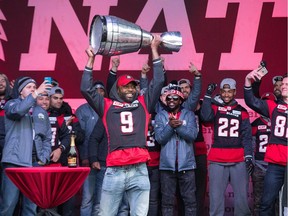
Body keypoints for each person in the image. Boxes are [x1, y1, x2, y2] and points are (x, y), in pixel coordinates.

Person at [80, 34, 164, 216]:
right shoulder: (107, 105)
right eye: (126, 86)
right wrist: (90, 60)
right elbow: (86, 89)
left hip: (139, 168)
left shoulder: (143, 102)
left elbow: (158, 82)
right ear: (117, 90)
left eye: (133, 86)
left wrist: (154, 50)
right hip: (115, 170)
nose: (130, 89)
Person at [200, 78, 253, 216]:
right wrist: (207, 96)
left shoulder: (243, 111)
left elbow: (247, 137)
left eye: (230, 91)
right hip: (217, 159)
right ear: (220, 92)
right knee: (215, 200)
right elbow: (205, 117)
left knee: (242, 201)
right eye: (224, 91)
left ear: (235, 92)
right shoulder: (215, 106)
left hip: (238, 159)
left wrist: (248, 156)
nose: (226, 94)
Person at [0, 77, 52, 216]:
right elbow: (18, 111)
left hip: (35, 163)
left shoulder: (40, 111)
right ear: (20, 91)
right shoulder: (11, 104)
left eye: (34, 87)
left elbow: (47, 137)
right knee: (8, 205)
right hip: (14, 162)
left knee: (31, 207)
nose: (33, 89)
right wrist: (35, 94)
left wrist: (44, 157)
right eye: (29, 87)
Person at [244, 70, 287, 216]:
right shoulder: (273, 106)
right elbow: (251, 101)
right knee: (266, 204)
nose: (283, 86)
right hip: (275, 165)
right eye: (283, 84)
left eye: (287, 84)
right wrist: (248, 82)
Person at [154, 86, 198, 215]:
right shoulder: (160, 116)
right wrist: (170, 126)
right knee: (167, 203)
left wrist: (177, 127)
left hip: (187, 166)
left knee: (190, 202)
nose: (171, 100)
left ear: (181, 100)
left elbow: (192, 136)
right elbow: (160, 139)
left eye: (175, 98)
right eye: (169, 98)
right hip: (167, 167)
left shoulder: (189, 114)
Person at [75, 81, 106, 216]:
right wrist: (85, 157)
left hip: (105, 161)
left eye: (101, 90)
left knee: (100, 201)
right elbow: (80, 138)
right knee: (87, 199)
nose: (99, 92)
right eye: (96, 90)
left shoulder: (109, 109)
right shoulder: (82, 110)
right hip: (87, 160)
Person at [251, 92, 277, 216]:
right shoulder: (256, 123)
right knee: (258, 200)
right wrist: (252, 161)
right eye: (264, 103)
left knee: (276, 200)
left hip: (275, 166)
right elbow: (250, 143)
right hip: (259, 165)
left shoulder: (280, 121)